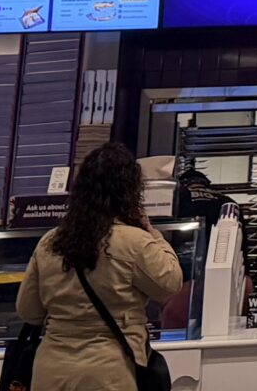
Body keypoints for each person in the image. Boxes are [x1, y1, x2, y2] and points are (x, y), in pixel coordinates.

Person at [15, 142, 185, 391]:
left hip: (51, 370)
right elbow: (170, 284)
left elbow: (28, 310)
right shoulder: (134, 241)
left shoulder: (50, 242)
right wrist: (153, 234)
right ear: (129, 191)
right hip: (109, 372)